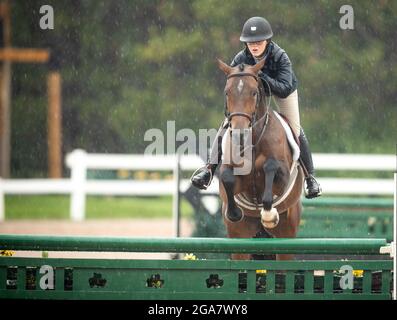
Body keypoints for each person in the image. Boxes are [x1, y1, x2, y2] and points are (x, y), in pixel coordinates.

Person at [191, 16, 321, 199]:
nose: (254, 45)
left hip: (283, 91)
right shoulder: (241, 58)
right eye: (250, 42)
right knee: (226, 125)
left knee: (295, 128)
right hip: (254, 94)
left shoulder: (280, 56)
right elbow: (234, 85)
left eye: (258, 41)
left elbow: (283, 88)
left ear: (267, 41)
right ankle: (208, 171)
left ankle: (310, 178)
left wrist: (261, 77)